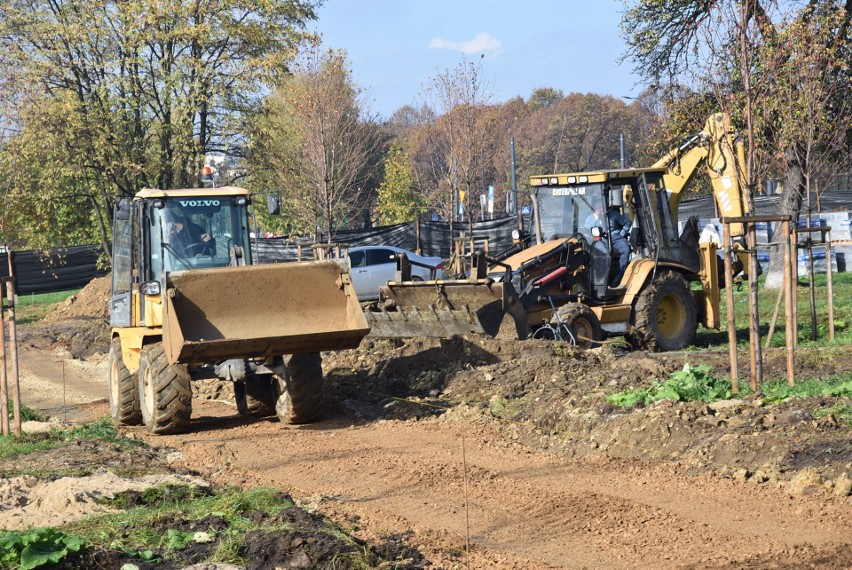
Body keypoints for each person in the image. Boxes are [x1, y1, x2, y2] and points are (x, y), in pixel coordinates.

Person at [583, 195, 632, 286]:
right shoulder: (590, 218)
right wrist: (596, 218)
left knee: (626, 249)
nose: (600, 209)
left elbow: (627, 222)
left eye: (601, 207)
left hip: (615, 237)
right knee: (603, 253)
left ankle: (618, 276)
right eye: (598, 208)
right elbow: (586, 230)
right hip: (599, 239)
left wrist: (621, 234)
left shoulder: (613, 214)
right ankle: (602, 280)